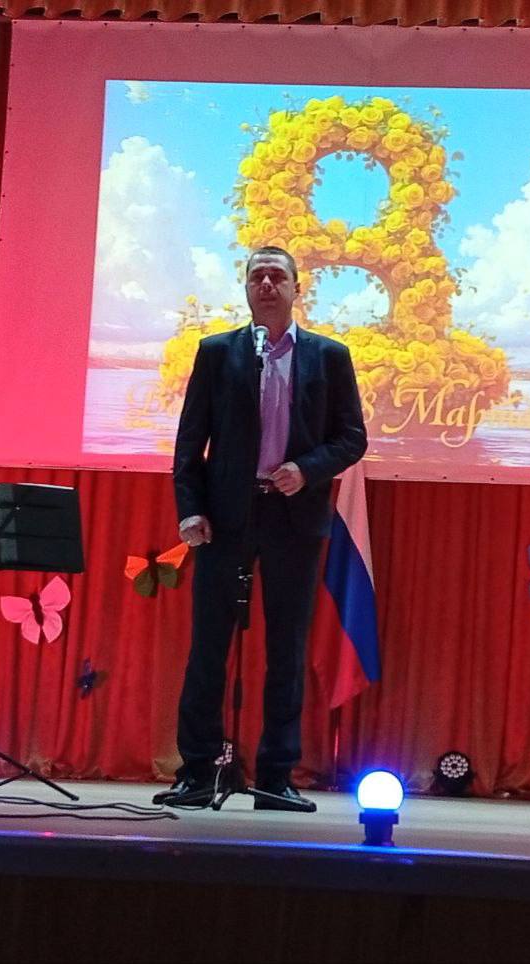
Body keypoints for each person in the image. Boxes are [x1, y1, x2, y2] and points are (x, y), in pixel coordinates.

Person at [163, 245, 367, 811]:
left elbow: (352, 437)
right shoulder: (217, 352)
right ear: (247, 288)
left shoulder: (329, 356)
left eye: (278, 276)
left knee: (286, 649)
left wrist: (307, 469)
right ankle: (197, 771)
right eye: (258, 276)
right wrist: (190, 509)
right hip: (226, 517)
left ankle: (276, 777)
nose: (268, 285)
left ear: (298, 288)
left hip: (293, 517)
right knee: (209, 646)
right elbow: (189, 442)